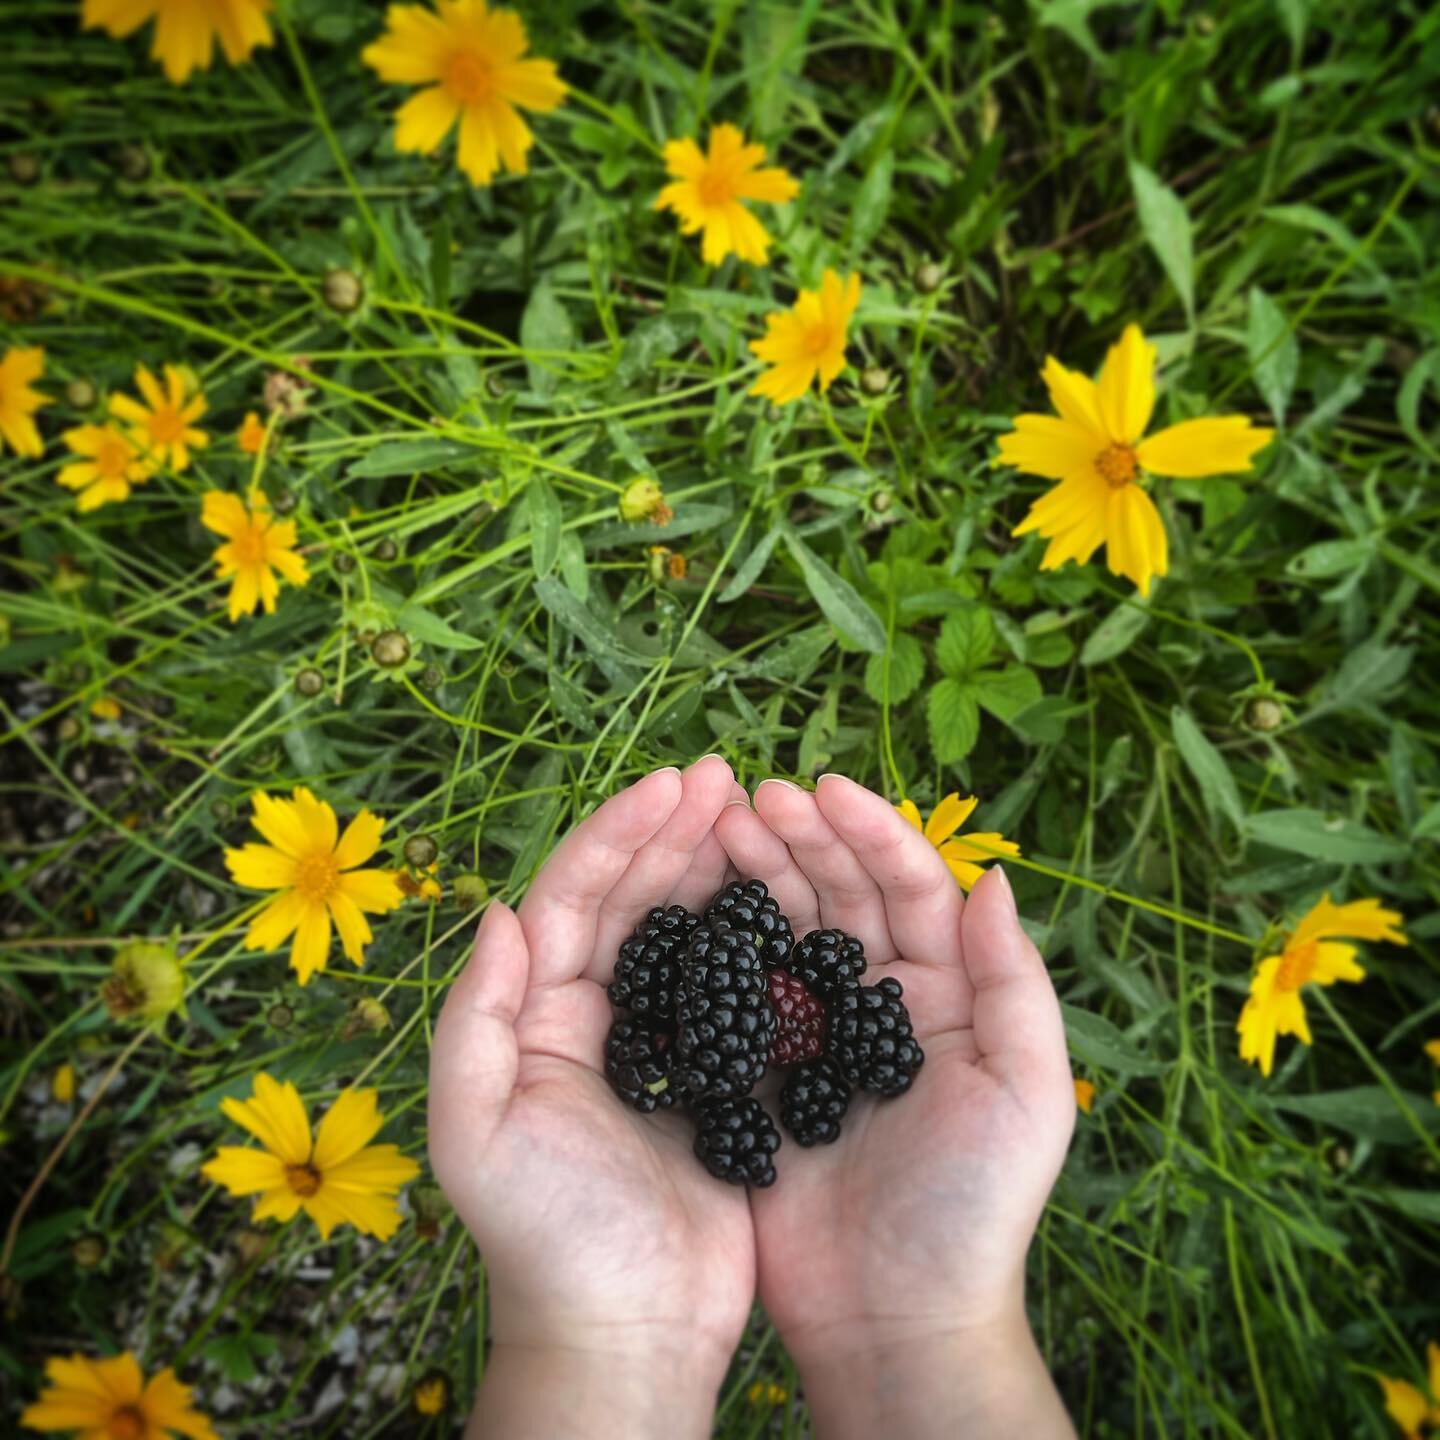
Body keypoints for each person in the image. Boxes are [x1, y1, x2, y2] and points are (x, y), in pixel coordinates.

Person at [428, 756, 1078, 1438]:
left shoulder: (785, 1016)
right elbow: (733, 1013)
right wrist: (934, 1328)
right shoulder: (723, 1013)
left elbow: (756, 1014)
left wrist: (591, 1346)